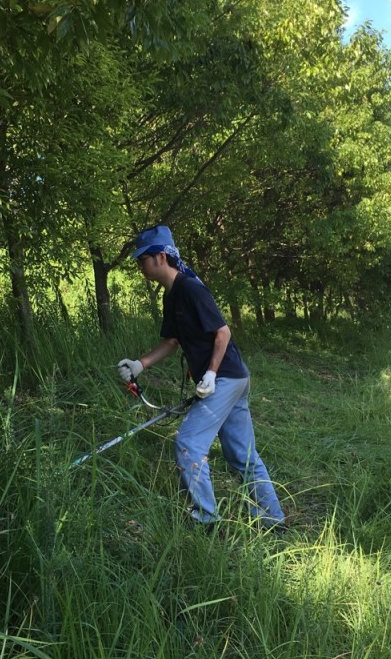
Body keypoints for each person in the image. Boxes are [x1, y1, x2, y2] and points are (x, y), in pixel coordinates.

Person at [117, 225, 286, 531]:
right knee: (241, 456)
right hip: (231, 379)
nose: (139, 265)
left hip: (225, 378)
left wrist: (209, 373)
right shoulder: (171, 296)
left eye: (142, 259)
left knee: (188, 442)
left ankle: (205, 522)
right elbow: (171, 341)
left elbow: (223, 332)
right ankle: (273, 520)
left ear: (160, 257)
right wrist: (140, 365)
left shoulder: (191, 288)